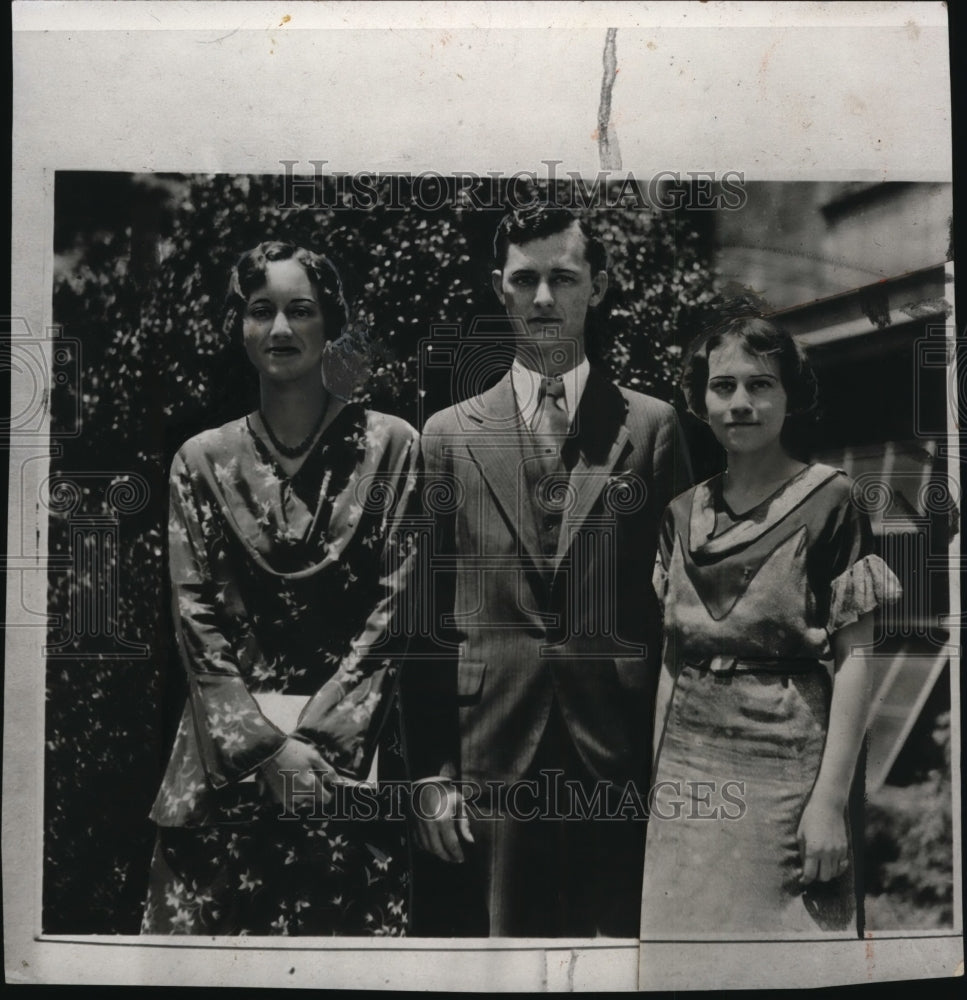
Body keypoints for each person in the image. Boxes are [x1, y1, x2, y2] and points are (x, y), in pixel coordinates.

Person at [403, 205, 692, 937]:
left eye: (561, 278)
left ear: (596, 286)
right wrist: (432, 771)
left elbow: (683, 607)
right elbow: (420, 616)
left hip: (616, 749)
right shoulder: (446, 436)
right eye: (524, 279)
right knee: (503, 963)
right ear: (498, 287)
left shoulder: (652, 428)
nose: (542, 299)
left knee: (617, 961)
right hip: (488, 746)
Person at [141, 241, 420, 936]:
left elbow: (400, 605)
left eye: (302, 311)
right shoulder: (199, 462)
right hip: (224, 776)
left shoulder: (392, 448)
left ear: (332, 324)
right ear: (238, 327)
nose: (282, 330)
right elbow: (194, 619)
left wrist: (317, 751)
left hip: (347, 775)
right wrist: (267, 751)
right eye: (261, 311)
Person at [640, 312, 902, 936]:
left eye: (761, 385)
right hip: (687, 772)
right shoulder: (680, 514)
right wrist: (656, 783)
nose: (741, 403)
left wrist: (830, 802)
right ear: (700, 400)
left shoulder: (832, 501)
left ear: (790, 396)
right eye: (723, 386)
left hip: (787, 771)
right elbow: (673, 660)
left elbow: (856, 659)